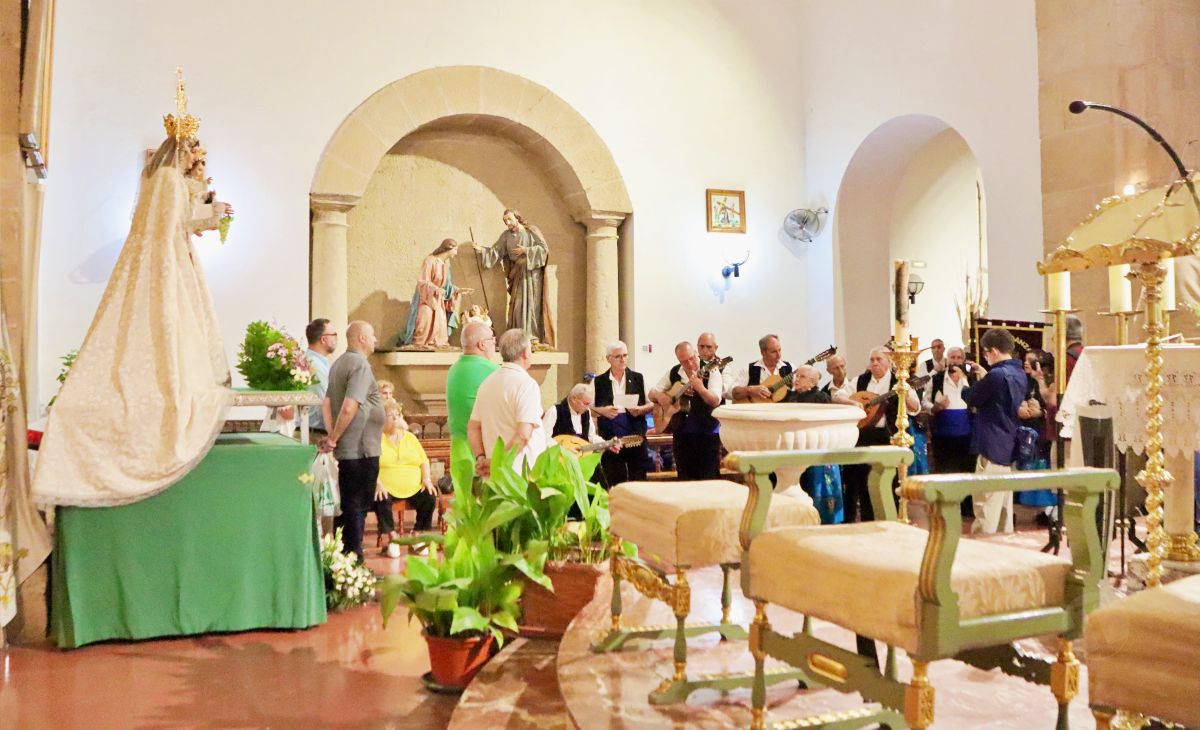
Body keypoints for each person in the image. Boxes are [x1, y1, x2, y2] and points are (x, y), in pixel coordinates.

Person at [32, 113, 235, 506]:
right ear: (181, 150)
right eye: (191, 152)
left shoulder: (160, 178)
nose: (193, 160)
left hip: (161, 256)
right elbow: (172, 221)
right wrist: (213, 213)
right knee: (167, 326)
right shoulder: (168, 179)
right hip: (165, 258)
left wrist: (206, 212)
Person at [319, 320, 384, 559]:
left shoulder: (338, 363)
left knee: (348, 505)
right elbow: (349, 406)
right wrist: (335, 437)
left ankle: (343, 559)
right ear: (362, 338)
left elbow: (326, 404)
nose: (376, 339)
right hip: (361, 450)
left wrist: (332, 435)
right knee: (357, 507)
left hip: (350, 449)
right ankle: (354, 558)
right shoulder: (360, 364)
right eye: (372, 335)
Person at [842, 347, 920, 523]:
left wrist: (904, 394)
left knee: (890, 481)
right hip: (864, 437)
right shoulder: (860, 380)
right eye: (872, 360)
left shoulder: (899, 380)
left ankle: (890, 521)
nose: (875, 363)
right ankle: (868, 522)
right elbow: (838, 396)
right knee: (864, 483)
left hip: (888, 437)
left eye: (879, 359)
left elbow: (915, 408)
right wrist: (853, 403)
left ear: (889, 362)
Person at [966, 328, 1027, 535]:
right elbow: (1000, 397)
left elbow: (973, 398)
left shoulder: (996, 375)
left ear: (993, 351)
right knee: (1002, 505)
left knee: (986, 502)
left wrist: (966, 382)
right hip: (1008, 441)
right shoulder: (1019, 372)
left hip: (991, 443)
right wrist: (986, 376)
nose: (985, 357)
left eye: (985, 353)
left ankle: (983, 546)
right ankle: (1003, 544)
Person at [468, 328, 548, 474]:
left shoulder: (487, 383)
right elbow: (523, 435)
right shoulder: (526, 385)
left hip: (494, 473)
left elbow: (473, 427)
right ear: (526, 352)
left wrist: (481, 458)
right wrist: (498, 462)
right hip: (520, 475)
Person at [473, 209, 555, 347]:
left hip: (531, 275)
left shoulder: (531, 231)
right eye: (505, 221)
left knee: (531, 305)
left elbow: (544, 250)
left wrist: (526, 250)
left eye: (510, 219)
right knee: (517, 306)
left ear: (517, 218)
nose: (508, 223)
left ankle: (532, 336)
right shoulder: (506, 236)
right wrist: (482, 250)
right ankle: (518, 335)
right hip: (517, 273)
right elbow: (496, 251)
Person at [650, 341, 723, 479]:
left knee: (709, 478)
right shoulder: (674, 372)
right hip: (681, 435)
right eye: (684, 361)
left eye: (691, 358)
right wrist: (660, 397)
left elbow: (715, 400)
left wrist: (700, 388)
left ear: (696, 353)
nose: (689, 364)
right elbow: (651, 394)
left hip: (706, 435)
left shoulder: (712, 370)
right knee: (684, 478)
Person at [783, 365, 844, 524]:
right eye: (797, 376)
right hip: (794, 450)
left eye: (802, 376)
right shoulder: (790, 397)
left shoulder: (820, 397)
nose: (797, 379)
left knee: (817, 489)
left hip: (818, 451)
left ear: (812, 382)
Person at [377, 399, 438, 554]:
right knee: (381, 499)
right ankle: (393, 538)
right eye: (390, 415)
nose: (395, 418)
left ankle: (417, 536)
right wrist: (377, 483)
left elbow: (424, 461)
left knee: (429, 496)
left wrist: (426, 479)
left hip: (414, 487)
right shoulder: (376, 438)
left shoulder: (410, 437)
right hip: (387, 487)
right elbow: (369, 465)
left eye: (398, 414)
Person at [446, 321, 499, 484]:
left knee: (464, 496)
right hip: (482, 449)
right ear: (482, 344)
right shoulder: (493, 371)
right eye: (492, 339)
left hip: (459, 446)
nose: (494, 344)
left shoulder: (454, 369)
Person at [593, 341, 653, 486]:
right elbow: (587, 407)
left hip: (635, 436)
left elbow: (653, 403)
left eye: (625, 355)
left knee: (638, 480)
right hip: (611, 439)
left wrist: (640, 409)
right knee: (614, 479)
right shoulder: (598, 381)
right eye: (618, 356)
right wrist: (602, 411)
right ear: (608, 359)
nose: (623, 359)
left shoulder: (638, 378)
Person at [398, 238, 471, 349]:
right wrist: (435, 289)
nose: (456, 253)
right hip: (426, 299)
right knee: (425, 320)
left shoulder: (445, 266)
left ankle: (436, 344)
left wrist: (458, 290)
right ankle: (420, 344)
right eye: (455, 250)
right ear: (449, 248)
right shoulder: (429, 261)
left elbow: (446, 287)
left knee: (441, 323)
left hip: (438, 300)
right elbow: (423, 281)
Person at [925, 347, 979, 475]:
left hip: (967, 435)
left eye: (959, 358)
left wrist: (963, 378)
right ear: (947, 359)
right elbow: (925, 402)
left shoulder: (971, 379)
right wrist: (934, 407)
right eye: (952, 357)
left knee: (967, 471)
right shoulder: (936, 379)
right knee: (945, 471)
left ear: (963, 361)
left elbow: (976, 400)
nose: (955, 361)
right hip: (942, 436)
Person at [542, 383, 610, 450]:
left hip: (582, 454)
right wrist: (563, 448)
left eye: (588, 404)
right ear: (574, 399)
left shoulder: (586, 412)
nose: (587, 408)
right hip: (560, 454)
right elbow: (545, 437)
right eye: (585, 404)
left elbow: (591, 436)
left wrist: (607, 444)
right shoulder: (555, 411)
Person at [728, 334, 792, 402]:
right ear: (763, 352)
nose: (779, 355)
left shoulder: (790, 368)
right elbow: (731, 392)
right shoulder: (749, 369)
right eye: (773, 352)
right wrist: (750, 390)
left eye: (779, 350)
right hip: (754, 408)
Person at [303, 318, 336, 435]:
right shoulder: (314, 365)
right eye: (334, 335)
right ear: (323, 339)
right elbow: (326, 401)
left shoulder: (317, 362)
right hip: (316, 433)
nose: (336, 339)